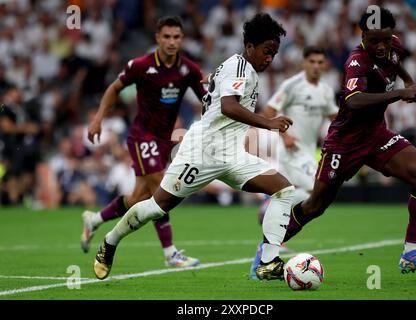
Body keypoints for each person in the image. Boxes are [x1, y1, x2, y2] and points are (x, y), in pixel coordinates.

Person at [92, 12, 295, 281]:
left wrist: (212, 81)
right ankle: (110, 241)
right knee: (157, 206)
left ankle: (268, 262)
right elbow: (229, 106)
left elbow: (217, 94)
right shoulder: (238, 67)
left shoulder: (238, 68)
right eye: (267, 51)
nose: (270, 58)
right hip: (202, 153)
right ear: (249, 47)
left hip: (232, 156)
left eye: (274, 53)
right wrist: (268, 123)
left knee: (284, 190)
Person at [283, 7, 416, 274]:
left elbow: (395, 61)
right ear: (363, 36)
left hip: (377, 135)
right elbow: (354, 101)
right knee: (315, 206)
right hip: (344, 143)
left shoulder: (393, 47)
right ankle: (266, 250)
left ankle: (410, 254)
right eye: (374, 40)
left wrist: (409, 81)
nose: (381, 46)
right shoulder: (356, 61)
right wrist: (400, 93)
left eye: (386, 40)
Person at [80, 16, 206, 268]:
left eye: (176, 37)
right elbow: (114, 88)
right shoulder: (141, 65)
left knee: (139, 197)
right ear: (157, 38)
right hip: (141, 137)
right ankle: (170, 253)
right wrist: (97, 120)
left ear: (182, 39)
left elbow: (207, 100)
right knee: (161, 190)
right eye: (167, 37)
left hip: (163, 140)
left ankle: (94, 220)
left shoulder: (188, 70)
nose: (171, 42)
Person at [250, 46, 338, 279]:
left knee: (296, 194)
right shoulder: (292, 85)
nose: (317, 66)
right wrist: (285, 135)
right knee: (314, 190)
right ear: (304, 63)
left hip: (309, 151)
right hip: (290, 150)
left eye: (321, 62)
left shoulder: (326, 91)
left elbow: (334, 118)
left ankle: (271, 218)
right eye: (313, 62)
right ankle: (269, 231)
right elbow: (269, 111)